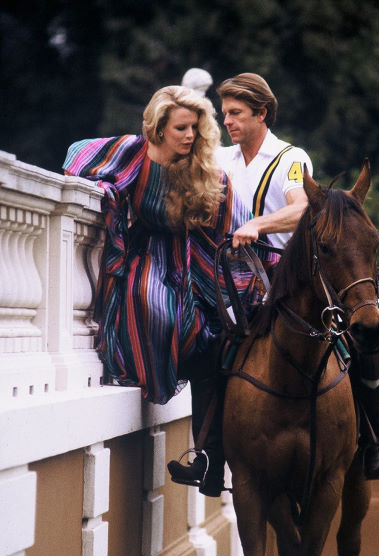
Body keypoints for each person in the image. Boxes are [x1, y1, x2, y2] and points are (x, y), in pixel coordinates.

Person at [170, 72, 379, 487]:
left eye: (236, 113)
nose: (228, 121)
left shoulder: (291, 158)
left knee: (371, 348)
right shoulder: (221, 159)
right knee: (206, 345)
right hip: (232, 281)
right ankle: (209, 455)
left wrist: (258, 225)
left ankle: (375, 442)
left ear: (262, 113)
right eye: (225, 114)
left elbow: (302, 209)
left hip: (289, 281)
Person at [63, 85, 277, 497]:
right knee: (156, 306)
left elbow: (233, 217)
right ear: (157, 128)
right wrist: (109, 191)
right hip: (146, 256)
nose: (190, 136)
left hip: (194, 259)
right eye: (181, 128)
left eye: (195, 128)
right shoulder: (131, 154)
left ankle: (209, 459)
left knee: (216, 340)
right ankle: (199, 443)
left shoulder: (203, 171)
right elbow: (77, 156)